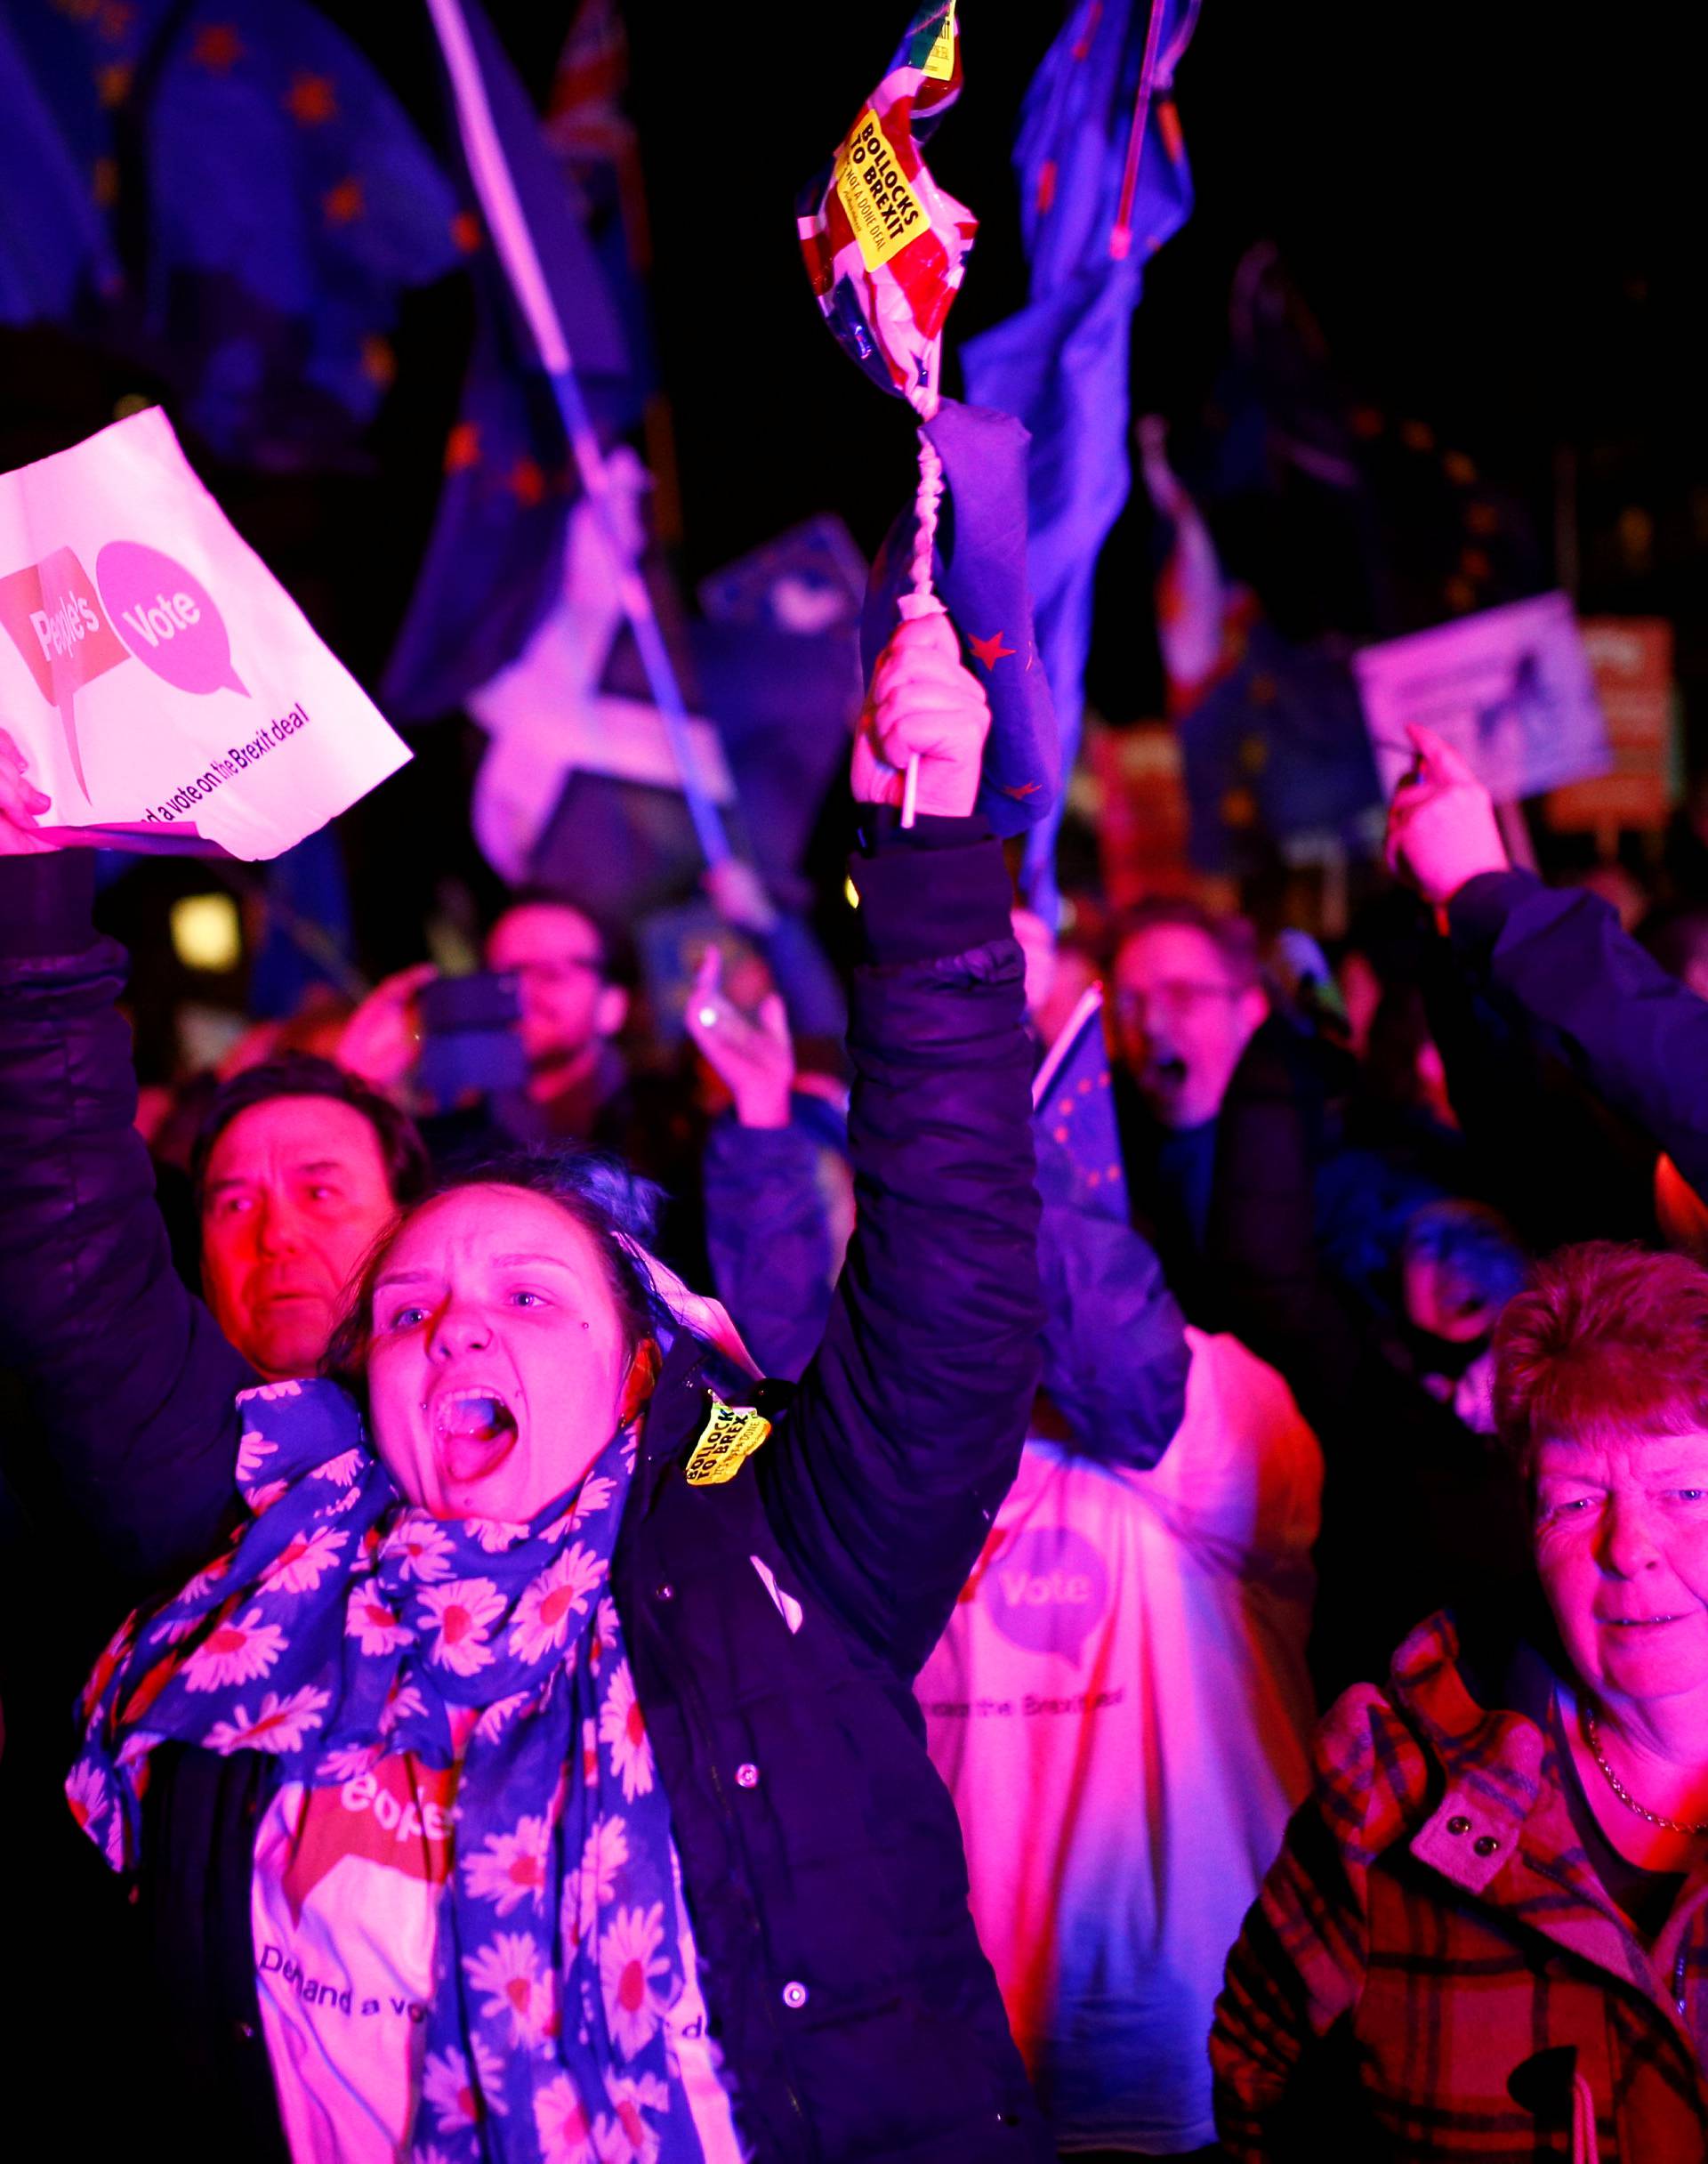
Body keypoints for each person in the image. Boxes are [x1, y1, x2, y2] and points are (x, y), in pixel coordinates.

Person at [30, 611, 1053, 2161]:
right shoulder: (252, 1551)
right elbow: (71, 1260)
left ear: (642, 1364)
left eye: (529, 1295)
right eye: (412, 1308)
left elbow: (958, 1282)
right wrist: (25, 859)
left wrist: (923, 851)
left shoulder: (778, 1557)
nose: (458, 1331)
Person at [692, 923, 1323, 2160]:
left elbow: (1112, 1353)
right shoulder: (904, 1467)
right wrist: (763, 1125)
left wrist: (983, 1051)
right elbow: (777, 1391)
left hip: (1197, 2078)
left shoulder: (1217, 1421)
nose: (942, 1259)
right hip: (961, 2068)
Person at [1213, 1242, 1708, 2159]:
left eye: (1685, 1488)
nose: (1629, 1545)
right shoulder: (1393, 1785)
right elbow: (1256, 2075)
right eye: (1574, 1500)